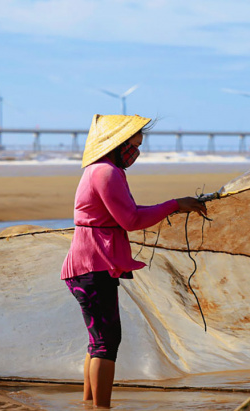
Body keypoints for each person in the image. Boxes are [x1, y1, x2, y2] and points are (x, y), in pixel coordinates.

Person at [61, 114, 206, 408]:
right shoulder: (107, 173)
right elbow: (130, 220)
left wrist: (173, 207)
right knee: (106, 342)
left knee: (98, 340)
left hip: (88, 264)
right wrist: (176, 204)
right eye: (132, 145)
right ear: (116, 144)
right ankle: (102, 407)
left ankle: (89, 404)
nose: (135, 152)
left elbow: (127, 212)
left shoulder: (100, 170)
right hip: (92, 265)